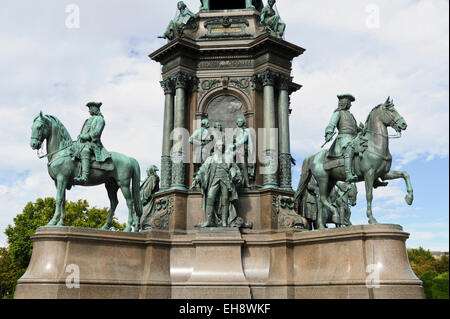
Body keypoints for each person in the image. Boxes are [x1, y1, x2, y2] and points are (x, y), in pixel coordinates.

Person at [191, 141, 242, 227]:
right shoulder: (210, 158)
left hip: (225, 180)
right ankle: (208, 221)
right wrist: (196, 179)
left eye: (222, 145)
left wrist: (234, 172)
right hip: (214, 180)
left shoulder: (228, 158)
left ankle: (224, 221)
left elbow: (234, 168)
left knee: (225, 200)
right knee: (210, 198)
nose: (221, 146)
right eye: (219, 145)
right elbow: (202, 170)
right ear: (216, 147)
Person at [325, 94, 362, 183]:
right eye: (349, 102)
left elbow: (355, 128)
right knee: (350, 148)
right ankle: (349, 174)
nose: (350, 105)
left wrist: (361, 129)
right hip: (344, 138)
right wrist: (329, 132)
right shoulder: (338, 113)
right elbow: (331, 124)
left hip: (354, 137)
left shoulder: (351, 115)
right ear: (345, 103)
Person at [73, 102, 111, 184]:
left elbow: (97, 133)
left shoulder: (100, 119)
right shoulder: (88, 120)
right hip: (82, 142)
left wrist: (86, 136)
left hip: (93, 144)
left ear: (95, 109)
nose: (89, 111)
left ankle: (84, 176)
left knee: (85, 151)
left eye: (90, 108)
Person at [231, 118, 254, 188]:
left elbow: (245, 139)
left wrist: (235, 144)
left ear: (243, 122)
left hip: (241, 151)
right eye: (238, 121)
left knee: (244, 167)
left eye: (241, 121)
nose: (239, 122)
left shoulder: (245, 131)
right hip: (234, 151)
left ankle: (246, 183)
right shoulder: (234, 131)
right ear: (237, 123)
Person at [140, 166, 160, 230]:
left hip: (148, 199)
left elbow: (148, 189)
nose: (147, 173)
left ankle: (146, 225)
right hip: (147, 199)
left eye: (147, 171)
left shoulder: (152, 178)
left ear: (150, 171)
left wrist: (143, 197)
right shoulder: (150, 178)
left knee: (146, 214)